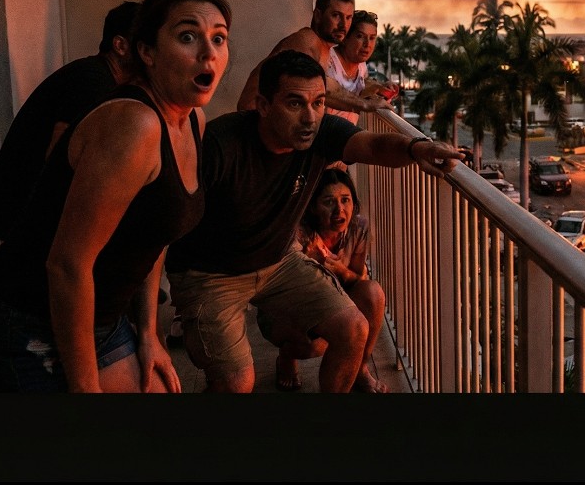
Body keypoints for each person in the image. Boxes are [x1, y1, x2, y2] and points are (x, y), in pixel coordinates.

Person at [0, 0, 231, 392]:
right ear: (147, 52)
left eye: (219, 38)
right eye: (187, 36)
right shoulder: (133, 124)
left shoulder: (192, 119)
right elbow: (67, 264)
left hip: (104, 321)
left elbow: (155, 232)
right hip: (26, 324)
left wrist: (147, 334)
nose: (208, 52)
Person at [166, 49, 463, 393]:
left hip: (279, 260)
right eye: (295, 104)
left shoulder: (320, 132)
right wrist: (148, 332)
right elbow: (162, 228)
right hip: (211, 274)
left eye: (319, 103)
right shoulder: (220, 145)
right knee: (236, 382)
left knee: (354, 328)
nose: (310, 117)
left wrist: (417, 149)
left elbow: (374, 146)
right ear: (263, 105)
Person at [0, 0, 139, 244]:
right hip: (9, 229)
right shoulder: (92, 81)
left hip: (10, 225)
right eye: (146, 43)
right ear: (120, 45)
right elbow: (59, 159)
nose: (151, 53)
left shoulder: (98, 77)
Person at [257, 168, 389, 392]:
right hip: (291, 310)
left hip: (335, 303)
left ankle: (360, 368)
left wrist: (338, 269)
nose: (340, 209)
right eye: (329, 202)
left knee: (373, 292)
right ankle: (287, 356)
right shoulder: (299, 233)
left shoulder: (358, 227)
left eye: (345, 200)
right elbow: (283, 292)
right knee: (317, 346)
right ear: (312, 206)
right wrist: (307, 263)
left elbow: (358, 280)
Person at [236, 0, 391, 116]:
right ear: (318, 15)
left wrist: (371, 94)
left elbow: (334, 88)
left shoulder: (322, 48)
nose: (344, 25)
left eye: (349, 18)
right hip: (255, 123)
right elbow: (324, 90)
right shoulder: (306, 41)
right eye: (336, 16)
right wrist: (364, 105)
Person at [326, 9, 394, 125]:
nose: (367, 44)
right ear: (345, 37)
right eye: (360, 36)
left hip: (345, 138)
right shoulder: (328, 60)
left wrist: (380, 88)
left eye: (372, 38)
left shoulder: (361, 65)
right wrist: (366, 104)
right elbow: (327, 92)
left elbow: (359, 87)